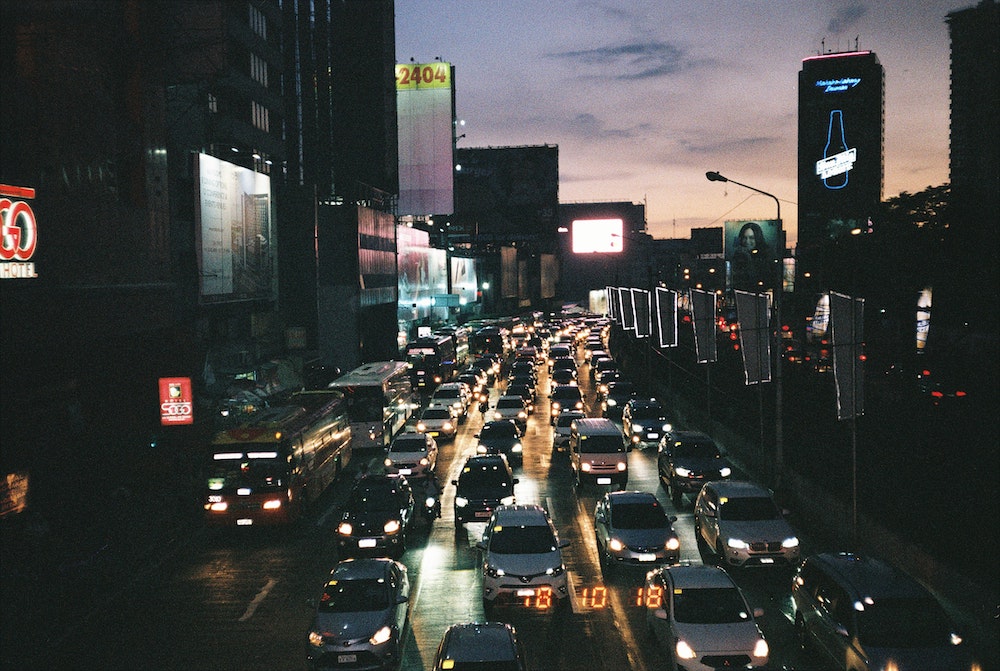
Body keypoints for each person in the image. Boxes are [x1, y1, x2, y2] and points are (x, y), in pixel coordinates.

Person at [730, 221, 770, 290]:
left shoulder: (766, 257)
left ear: (758, 238)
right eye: (744, 238)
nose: (747, 241)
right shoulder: (737, 256)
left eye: (751, 238)